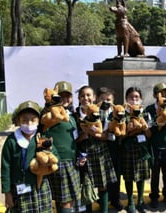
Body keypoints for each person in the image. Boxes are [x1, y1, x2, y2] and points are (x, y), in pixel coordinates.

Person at [1, 100, 54, 212]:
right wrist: (7, 193)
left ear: (39, 120)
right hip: (20, 189)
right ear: (18, 121)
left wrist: (48, 160)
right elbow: (5, 167)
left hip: (40, 186)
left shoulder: (43, 137)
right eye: (24, 120)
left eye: (33, 119)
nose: (29, 123)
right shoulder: (12, 141)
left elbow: (54, 156)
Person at [76, 85, 117, 213]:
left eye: (88, 95)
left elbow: (108, 135)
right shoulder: (74, 115)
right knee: (87, 185)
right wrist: (85, 133)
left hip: (100, 152)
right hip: (84, 154)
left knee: (102, 184)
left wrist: (96, 134)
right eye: (82, 96)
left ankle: (104, 210)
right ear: (79, 98)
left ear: (94, 98)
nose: (86, 98)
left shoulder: (102, 113)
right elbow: (75, 140)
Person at [44, 81, 81, 213]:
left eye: (68, 96)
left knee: (67, 199)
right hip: (60, 160)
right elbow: (43, 132)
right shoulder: (51, 114)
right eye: (61, 96)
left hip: (72, 160)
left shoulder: (69, 115)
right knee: (66, 200)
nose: (65, 99)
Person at [145, 82, 166, 208]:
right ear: (155, 95)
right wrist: (158, 125)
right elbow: (148, 126)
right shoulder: (149, 109)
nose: (164, 95)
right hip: (155, 146)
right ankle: (154, 197)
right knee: (155, 174)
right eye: (161, 93)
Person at [121, 87, 152, 213]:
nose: (134, 100)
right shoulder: (122, 114)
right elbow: (120, 135)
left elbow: (149, 134)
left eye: (136, 97)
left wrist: (143, 127)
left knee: (141, 176)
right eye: (131, 97)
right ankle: (130, 201)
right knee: (128, 177)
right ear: (126, 99)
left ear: (141, 99)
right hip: (128, 149)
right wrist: (130, 131)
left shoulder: (145, 114)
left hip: (141, 149)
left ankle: (140, 201)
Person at [96, 87, 124, 211]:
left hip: (115, 147)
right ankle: (104, 200)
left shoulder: (117, 111)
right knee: (103, 176)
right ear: (97, 99)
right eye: (102, 99)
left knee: (116, 175)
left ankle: (115, 199)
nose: (106, 102)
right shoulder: (95, 112)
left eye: (108, 99)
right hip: (101, 147)